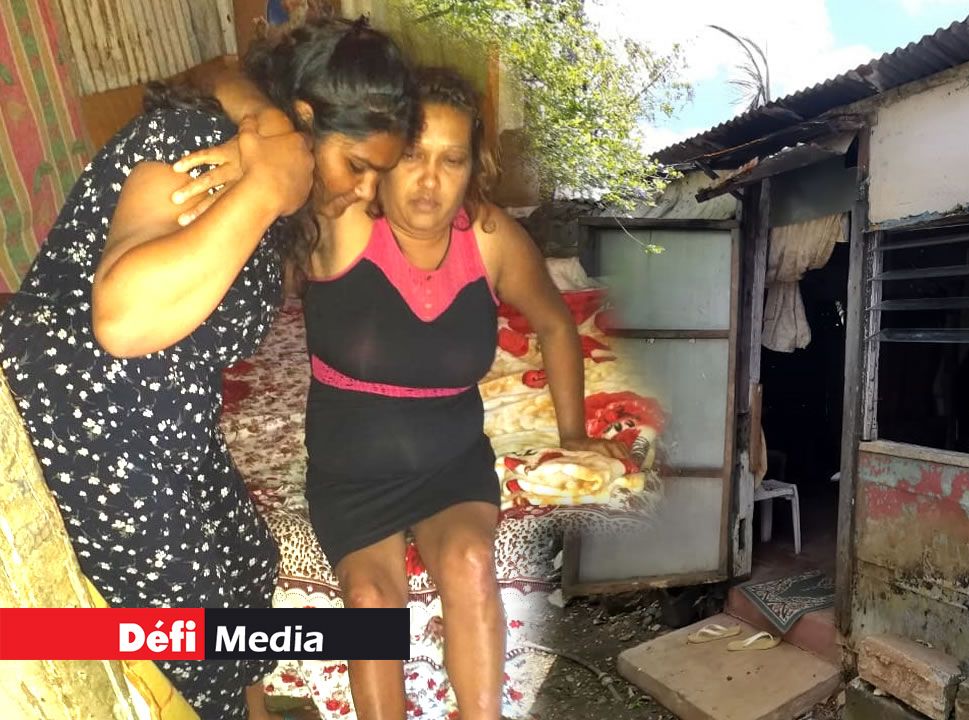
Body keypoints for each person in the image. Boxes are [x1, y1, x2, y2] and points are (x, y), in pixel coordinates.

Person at [176, 66, 628, 719]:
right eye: (413, 155)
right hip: (351, 475)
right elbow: (248, 105)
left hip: (451, 464)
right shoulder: (340, 220)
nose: (429, 180)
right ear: (383, 157)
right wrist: (248, 121)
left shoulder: (491, 239)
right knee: (368, 601)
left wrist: (574, 436)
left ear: (474, 168)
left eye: (452, 160)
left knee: (470, 559)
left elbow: (556, 324)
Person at [0, 17, 418, 719]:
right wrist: (266, 187)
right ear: (306, 123)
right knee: (188, 635)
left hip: (161, 419)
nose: (365, 191)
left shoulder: (261, 157)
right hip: (79, 423)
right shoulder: (199, 143)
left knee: (247, 563)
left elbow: (224, 72)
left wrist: (277, 172)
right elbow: (123, 320)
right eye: (358, 166)